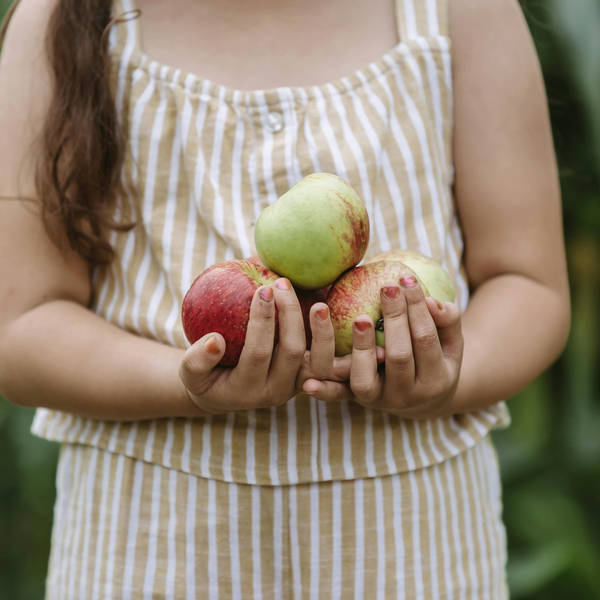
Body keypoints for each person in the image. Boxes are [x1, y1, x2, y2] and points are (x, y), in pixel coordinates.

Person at [0, 0, 570, 597]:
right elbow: (23, 330)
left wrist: (445, 374)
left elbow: (529, 285)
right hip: (151, 549)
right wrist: (183, 382)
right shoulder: (63, 19)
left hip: (413, 551)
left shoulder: (462, 11)